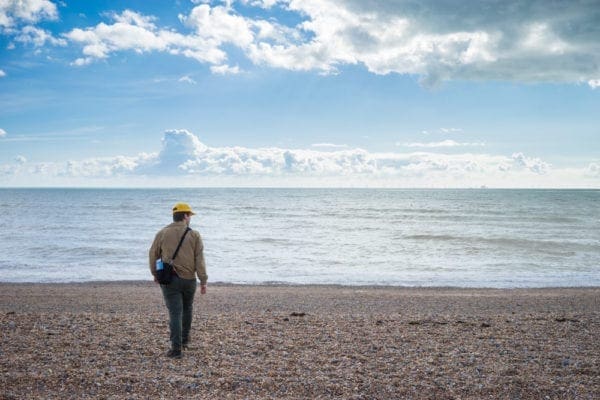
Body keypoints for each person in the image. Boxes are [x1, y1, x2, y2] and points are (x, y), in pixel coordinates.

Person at [149, 202, 208, 359]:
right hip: (189, 280)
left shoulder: (162, 233)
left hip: (170, 279)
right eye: (189, 215)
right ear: (185, 216)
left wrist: (155, 273)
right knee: (187, 308)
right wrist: (203, 280)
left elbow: (153, 254)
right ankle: (184, 340)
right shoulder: (194, 234)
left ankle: (176, 349)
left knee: (175, 312)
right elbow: (199, 259)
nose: (190, 218)